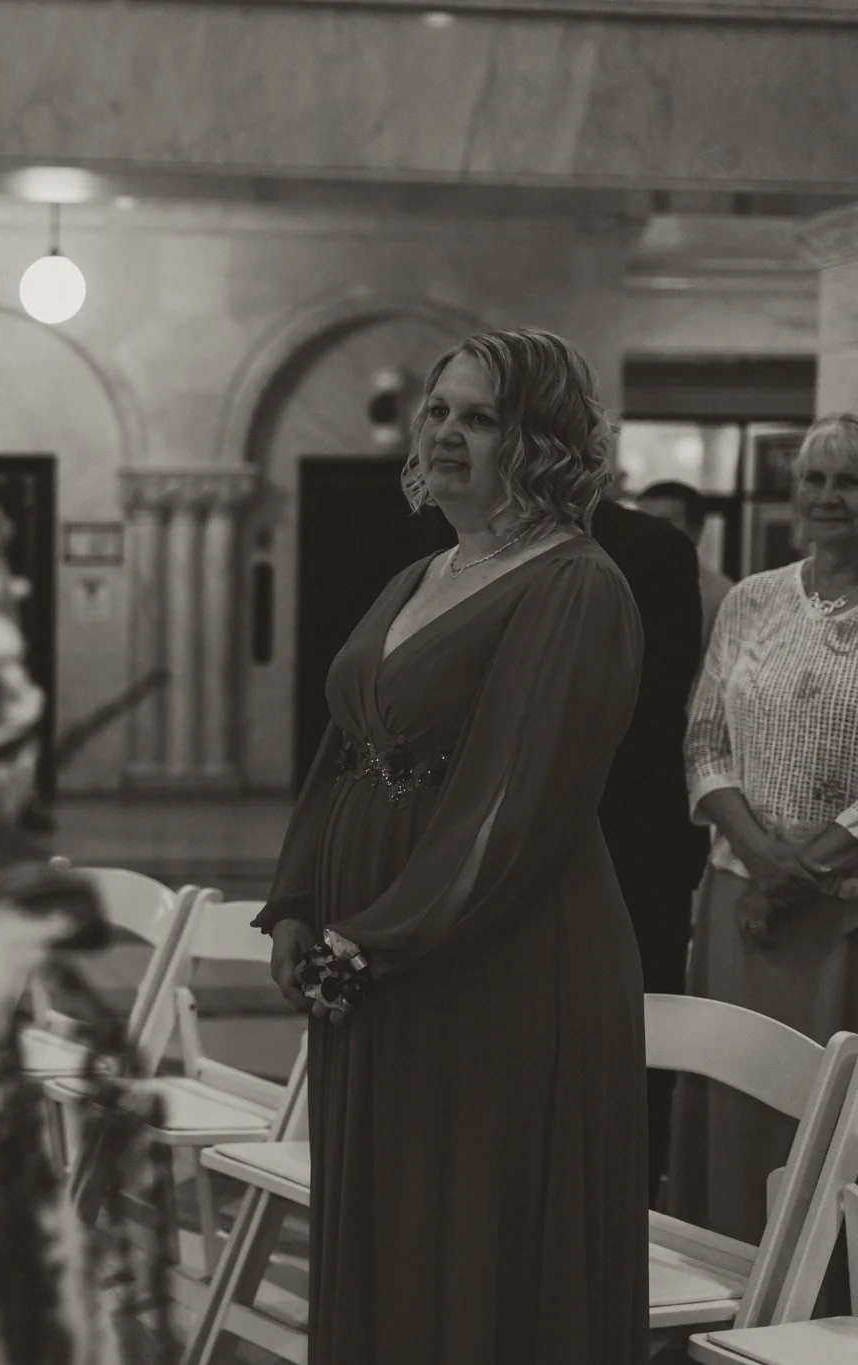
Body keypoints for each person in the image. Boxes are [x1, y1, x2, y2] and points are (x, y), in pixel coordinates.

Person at [259, 328, 648, 1364]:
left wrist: (377, 939)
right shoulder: (419, 574)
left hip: (493, 953)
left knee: (470, 1220)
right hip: (377, 949)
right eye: (437, 410)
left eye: (479, 418)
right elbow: (343, 751)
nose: (443, 434)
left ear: (542, 442)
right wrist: (297, 900)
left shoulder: (576, 586)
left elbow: (515, 804)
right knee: (387, 1206)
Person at [671, 411, 858, 1247]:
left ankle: (813, 1297)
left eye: (849, 479)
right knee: (728, 1094)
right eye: (814, 479)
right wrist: (755, 852)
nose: (829, 496)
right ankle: (718, 1283)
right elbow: (704, 736)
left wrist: (803, 869)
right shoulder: (751, 598)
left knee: (819, 1105)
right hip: (735, 897)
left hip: (839, 910)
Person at [587, 492, 709, 1202]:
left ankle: (634, 1194)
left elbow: (658, 702)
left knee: (640, 1030)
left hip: (632, 832)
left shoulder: (653, 551)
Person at [638, 479, 735, 647]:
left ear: (695, 530)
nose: (647, 532)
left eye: (663, 523)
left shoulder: (722, 596)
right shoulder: (620, 584)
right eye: (640, 522)